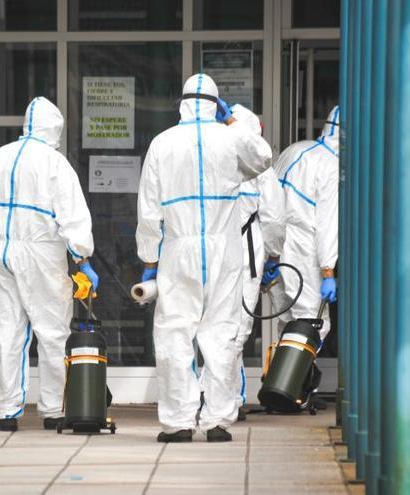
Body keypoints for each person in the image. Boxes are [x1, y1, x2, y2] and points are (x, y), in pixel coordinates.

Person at [137, 74, 272, 443]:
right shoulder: (230, 138)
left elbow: (149, 210)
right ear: (217, 103)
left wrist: (149, 259)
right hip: (224, 249)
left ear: (181, 102)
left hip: (178, 249)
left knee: (174, 334)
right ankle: (216, 421)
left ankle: (179, 421)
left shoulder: (162, 143)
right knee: (221, 332)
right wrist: (232, 122)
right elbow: (263, 158)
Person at [0, 97, 98, 432]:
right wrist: (82, 258)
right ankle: (53, 410)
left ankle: (6, 411)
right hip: (42, 254)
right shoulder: (54, 163)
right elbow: (73, 216)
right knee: (52, 331)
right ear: (53, 128)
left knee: (4, 331)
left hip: (0, 253)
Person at [226, 105, 284, 419]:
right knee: (237, 328)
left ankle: (212, 394)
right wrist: (274, 256)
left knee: (211, 324)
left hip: (208, 252)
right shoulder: (262, 169)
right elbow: (274, 218)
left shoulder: (209, 160)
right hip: (245, 250)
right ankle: (228, 398)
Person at [270, 106, 340, 343]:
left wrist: (269, 254)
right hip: (303, 249)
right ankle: (293, 380)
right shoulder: (331, 164)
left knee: (288, 322)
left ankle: (281, 379)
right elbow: (326, 225)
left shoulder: (295, 149)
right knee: (311, 324)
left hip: (275, 243)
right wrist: (328, 270)